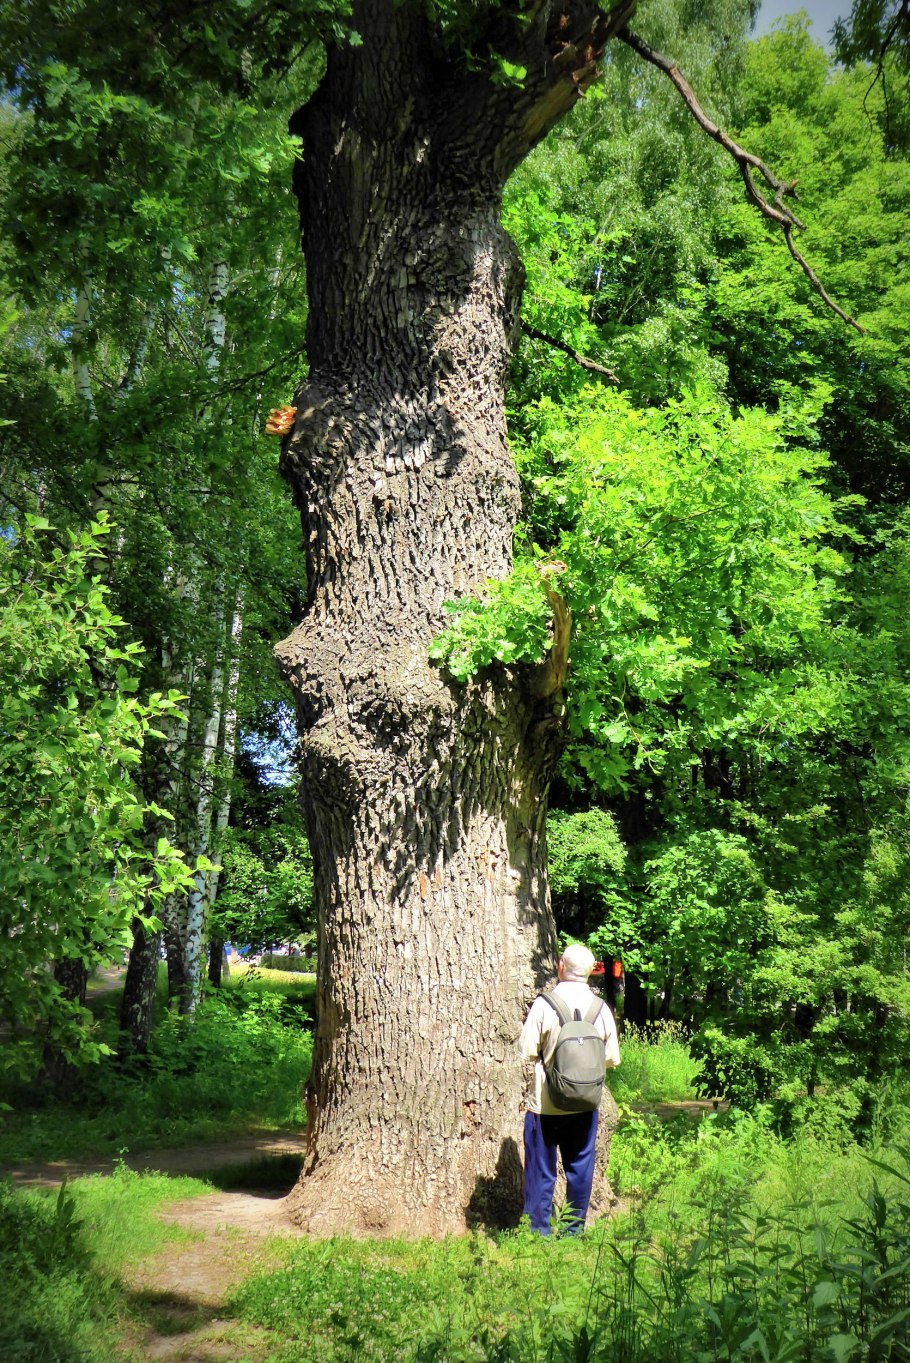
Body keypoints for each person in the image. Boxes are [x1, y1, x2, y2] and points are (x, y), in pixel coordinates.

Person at [518, 944, 620, 1235]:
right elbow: (611, 1059)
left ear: (561, 966)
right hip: (586, 1103)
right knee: (580, 1167)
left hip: (546, 1102)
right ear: (590, 972)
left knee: (541, 1168)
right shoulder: (601, 1009)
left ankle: (538, 1231)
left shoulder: (544, 1004)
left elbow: (526, 1051)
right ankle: (573, 1229)